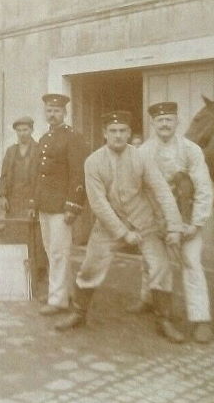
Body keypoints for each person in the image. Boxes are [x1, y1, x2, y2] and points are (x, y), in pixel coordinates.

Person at [54, 111, 187, 343]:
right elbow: (98, 203)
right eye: (113, 131)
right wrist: (122, 233)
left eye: (123, 131)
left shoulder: (142, 157)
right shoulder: (93, 161)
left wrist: (174, 226)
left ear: (129, 133)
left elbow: (162, 191)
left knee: (160, 267)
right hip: (108, 225)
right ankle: (79, 313)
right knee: (90, 268)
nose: (118, 136)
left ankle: (163, 320)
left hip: (145, 222)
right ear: (104, 134)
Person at [132, 101, 214, 343]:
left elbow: (203, 188)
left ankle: (201, 319)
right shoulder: (143, 152)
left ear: (177, 122)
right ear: (153, 124)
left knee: (191, 263)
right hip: (154, 219)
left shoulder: (191, 150)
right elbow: (136, 190)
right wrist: (144, 222)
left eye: (169, 119)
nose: (165, 124)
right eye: (160, 120)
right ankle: (148, 300)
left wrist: (196, 223)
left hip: (186, 219)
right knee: (152, 263)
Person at [30, 93, 88, 316]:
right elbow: (40, 174)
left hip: (62, 205)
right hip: (45, 203)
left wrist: (73, 205)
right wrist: (35, 201)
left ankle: (58, 300)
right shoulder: (45, 138)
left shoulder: (72, 137)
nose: (52, 115)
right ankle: (61, 291)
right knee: (50, 249)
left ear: (65, 113)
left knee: (59, 252)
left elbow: (77, 173)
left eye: (56, 111)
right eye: (49, 111)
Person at [0, 115, 43, 272]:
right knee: (13, 234)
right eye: (19, 130)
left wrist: (34, 202)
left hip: (31, 199)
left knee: (33, 236)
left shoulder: (38, 150)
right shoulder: (11, 151)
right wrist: (2, 195)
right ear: (16, 132)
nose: (23, 133)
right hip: (13, 200)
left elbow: (41, 178)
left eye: (26, 130)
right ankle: (14, 269)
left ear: (31, 130)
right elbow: (3, 175)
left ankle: (36, 271)